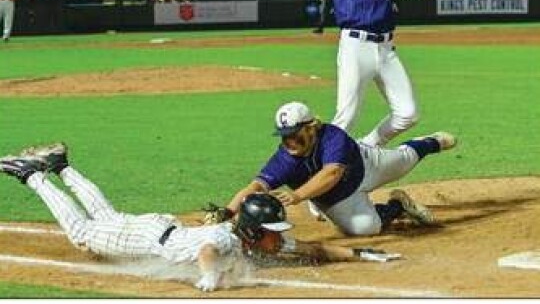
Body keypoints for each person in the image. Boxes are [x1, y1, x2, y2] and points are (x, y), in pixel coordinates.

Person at [0, 143, 400, 292]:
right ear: (252, 230)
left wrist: (361, 254)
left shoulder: (254, 235)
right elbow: (209, 249)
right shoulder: (229, 239)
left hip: (156, 228)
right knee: (83, 232)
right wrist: (209, 278)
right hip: (143, 238)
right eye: (272, 232)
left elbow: (313, 248)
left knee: (104, 215)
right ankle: (33, 174)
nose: (277, 239)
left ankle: (62, 166)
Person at [294, 0, 478, 148]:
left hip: (386, 49)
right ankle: (322, 172)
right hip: (355, 46)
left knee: (408, 114)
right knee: (344, 119)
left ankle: (365, 148)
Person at [222, 101, 457, 236]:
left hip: (367, 166)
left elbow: (332, 173)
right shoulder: (285, 158)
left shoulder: (333, 136)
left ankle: (432, 141)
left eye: (294, 134)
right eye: (284, 136)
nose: (289, 141)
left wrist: (297, 195)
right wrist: (228, 212)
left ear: (311, 127)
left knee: (406, 159)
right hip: (336, 199)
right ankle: (397, 205)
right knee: (366, 228)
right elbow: (256, 186)